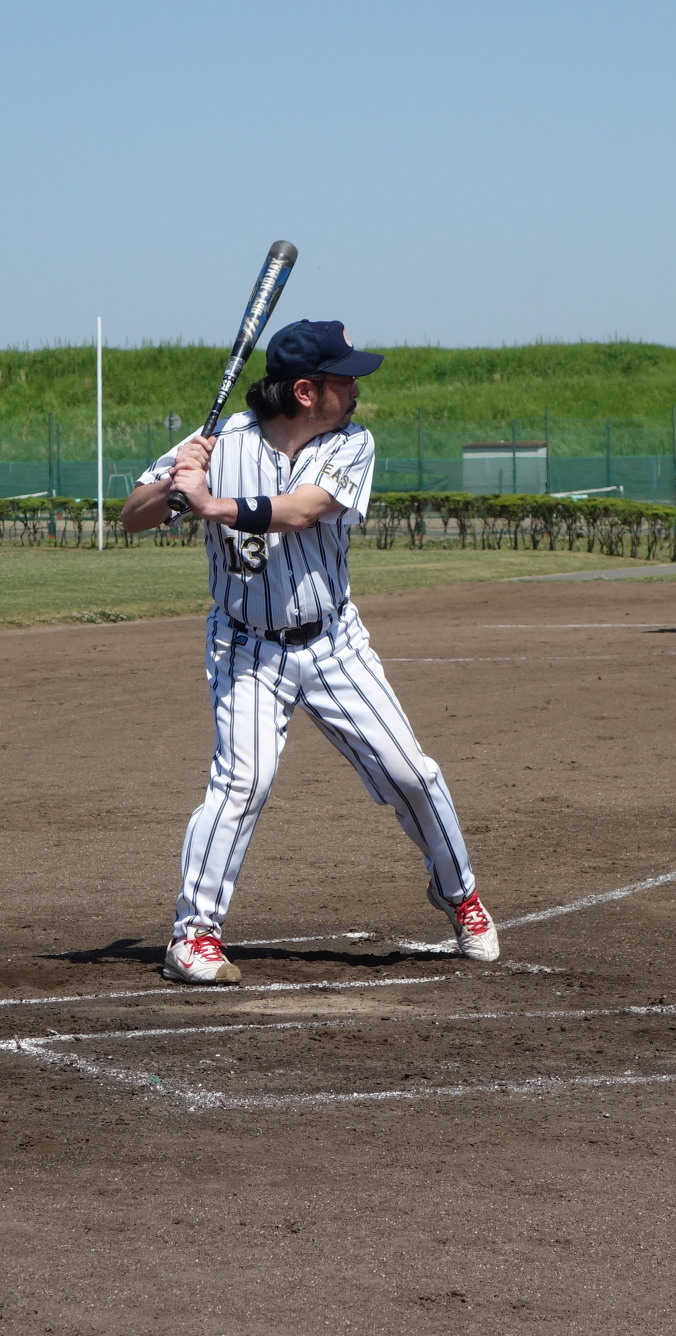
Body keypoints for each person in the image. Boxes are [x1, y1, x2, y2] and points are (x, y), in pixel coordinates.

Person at [120, 319, 499, 985]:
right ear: (304, 391)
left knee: (412, 774)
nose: (355, 389)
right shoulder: (218, 444)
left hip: (332, 643)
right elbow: (131, 517)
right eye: (343, 379)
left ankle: (458, 893)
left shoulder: (351, 442)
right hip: (244, 647)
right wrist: (174, 485)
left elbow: (300, 510)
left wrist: (211, 504)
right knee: (242, 784)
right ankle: (192, 938)